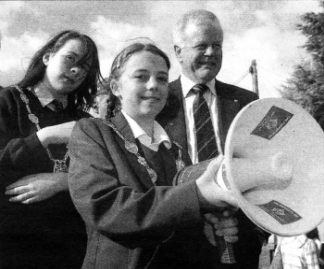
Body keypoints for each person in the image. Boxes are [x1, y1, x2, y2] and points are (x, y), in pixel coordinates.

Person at [68, 42, 239, 269]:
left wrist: (206, 224)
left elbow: (179, 214)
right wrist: (197, 195)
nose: (153, 85)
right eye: (141, 77)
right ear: (116, 87)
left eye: (161, 78)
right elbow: (105, 208)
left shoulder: (177, 151)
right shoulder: (93, 132)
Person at [156, 9, 267, 269]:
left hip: (238, 239)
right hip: (176, 241)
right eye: (201, 45)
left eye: (217, 45)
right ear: (178, 51)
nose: (211, 53)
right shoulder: (156, 102)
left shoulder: (247, 103)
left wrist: (259, 231)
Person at [0, 30, 102, 268]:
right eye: (70, 58)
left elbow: (105, 179)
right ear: (47, 57)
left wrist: (62, 181)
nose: (76, 70)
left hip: (72, 250)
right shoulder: (7, 101)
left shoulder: (86, 122)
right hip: (13, 249)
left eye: (84, 67)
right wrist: (44, 137)